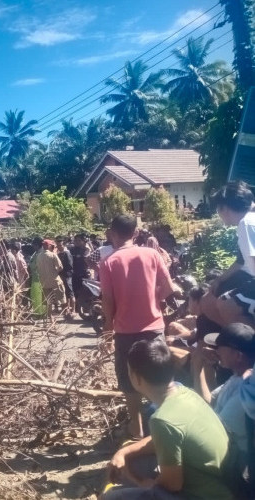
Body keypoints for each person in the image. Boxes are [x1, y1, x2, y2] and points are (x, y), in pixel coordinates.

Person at [103, 339, 233, 500]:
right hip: (226, 483)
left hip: (205, 495)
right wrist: (124, 452)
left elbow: (172, 485)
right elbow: (168, 438)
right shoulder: (185, 392)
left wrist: (142, 482)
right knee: (131, 462)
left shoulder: (162, 420)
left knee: (110, 497)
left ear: (136, 377)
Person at [100, 215, 175, 439]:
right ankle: (167, 426)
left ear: (112, 233)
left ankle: (137, 429)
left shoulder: (108, 262)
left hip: (125, 332)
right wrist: (155, 300)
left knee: (129, 379)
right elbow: (169, 288)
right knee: (159, 376)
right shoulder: (152, 254)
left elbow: (108, 301)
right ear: (135, 233)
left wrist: (107, 326)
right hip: (154, 328)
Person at [193, 323, 255, 471]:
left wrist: (197, 369)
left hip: (231, 461)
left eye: (220, 347)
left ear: (238, 356)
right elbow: (208, 401)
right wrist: (200, 367)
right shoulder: (237, 376)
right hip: (222, 447)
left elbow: (215, 429)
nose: (216, 350)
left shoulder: (244, 392)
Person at [202, 182, 255, 329]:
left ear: (224, 208)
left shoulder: (247, 223)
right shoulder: (249, 219)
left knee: (226, 305)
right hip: (249, 277)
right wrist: (220, 279)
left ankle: (244, 347)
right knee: (213, 301)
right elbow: (241, 260)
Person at [37, 239, 65, 315]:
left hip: (44, 282)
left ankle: (50, 317)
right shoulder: (53, 255)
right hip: (54, 281)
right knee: (62, 296)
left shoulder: (38, 256)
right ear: (49, 246)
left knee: (48, 301)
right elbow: (60, 267)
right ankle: (66, 313)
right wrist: (55, 272)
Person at [55, 237, 75, 318]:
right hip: (61, 276)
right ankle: (67, 310)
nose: (59, 247)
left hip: (67, 276)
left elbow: (70, 266)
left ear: (63, 245)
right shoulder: (59, 254)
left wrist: (63, 271)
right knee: (64, 293)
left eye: (60, 245)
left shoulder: (67, 253)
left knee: (70, 293)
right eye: (58, 245)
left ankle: (73, 310)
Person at [71, 234, 91, 304]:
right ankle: (76, 306)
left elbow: (86, 259)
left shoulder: (86, 250)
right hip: (74, 273)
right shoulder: (72, 250)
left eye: (79, 240)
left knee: (84, 290)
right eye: (75, 240)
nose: (77, 242)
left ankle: (84, 306)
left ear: (83, 241)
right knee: (74, 290)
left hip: (83, 273)